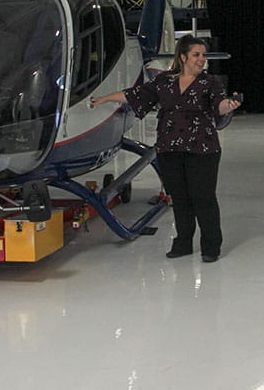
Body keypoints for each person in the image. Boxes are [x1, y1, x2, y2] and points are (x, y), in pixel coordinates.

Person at [91, 35, 242, 262]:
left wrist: (228, 106)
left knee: (203, 198)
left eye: (203, 55)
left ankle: (211, 247)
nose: (201, 60)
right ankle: (182, 243)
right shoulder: (164, 82)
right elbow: (136, 95)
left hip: (202, 149)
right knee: (179, 198)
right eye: (196, 55)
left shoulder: (210, 83)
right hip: (170, 148)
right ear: (183, 57)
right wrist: (104, 99)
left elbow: (219, 106)